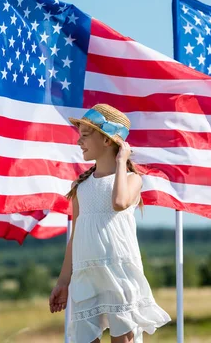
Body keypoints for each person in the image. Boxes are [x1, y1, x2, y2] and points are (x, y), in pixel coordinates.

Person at [49, 104, 170, 343]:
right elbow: (75, 237)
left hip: (118, 272)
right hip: (86, 272)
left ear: (107, 141)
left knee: (123, 338)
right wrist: (63, 282)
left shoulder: (133, 179)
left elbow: (118, 202)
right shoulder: (80, 187)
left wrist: (121, 162)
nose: (78, 142)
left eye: (85, 135)